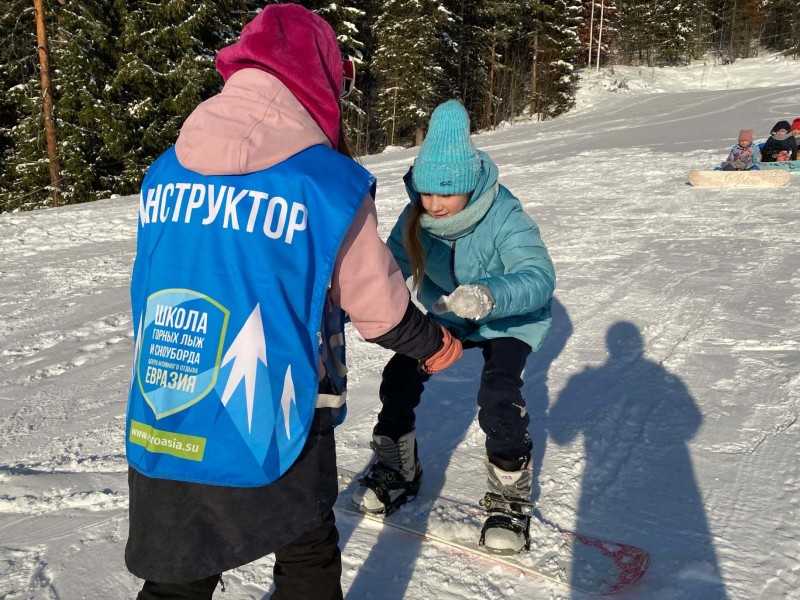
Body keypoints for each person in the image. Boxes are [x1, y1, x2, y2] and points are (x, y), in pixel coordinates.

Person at [124, 5, 462, 600]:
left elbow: (149, 284)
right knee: (305, 550)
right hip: (275, 406)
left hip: (170, 400)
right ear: (321, 79)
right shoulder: (325, 183)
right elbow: (376, 304)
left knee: (178, 574)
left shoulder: (165, 172)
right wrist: (431, 343)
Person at [352, 100, 556, 553]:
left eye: (445, 193)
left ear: (468, 185)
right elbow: (386, 267)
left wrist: (489, 295)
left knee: (498, 395)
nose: (434, 204)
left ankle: (508, 494)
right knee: (400, 375)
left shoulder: (503, 214)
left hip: (507, 316)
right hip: (450, 311)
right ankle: (398, 467)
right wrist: (352, 297)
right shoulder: (417, 218)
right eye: (426, 193)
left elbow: (540, 278)